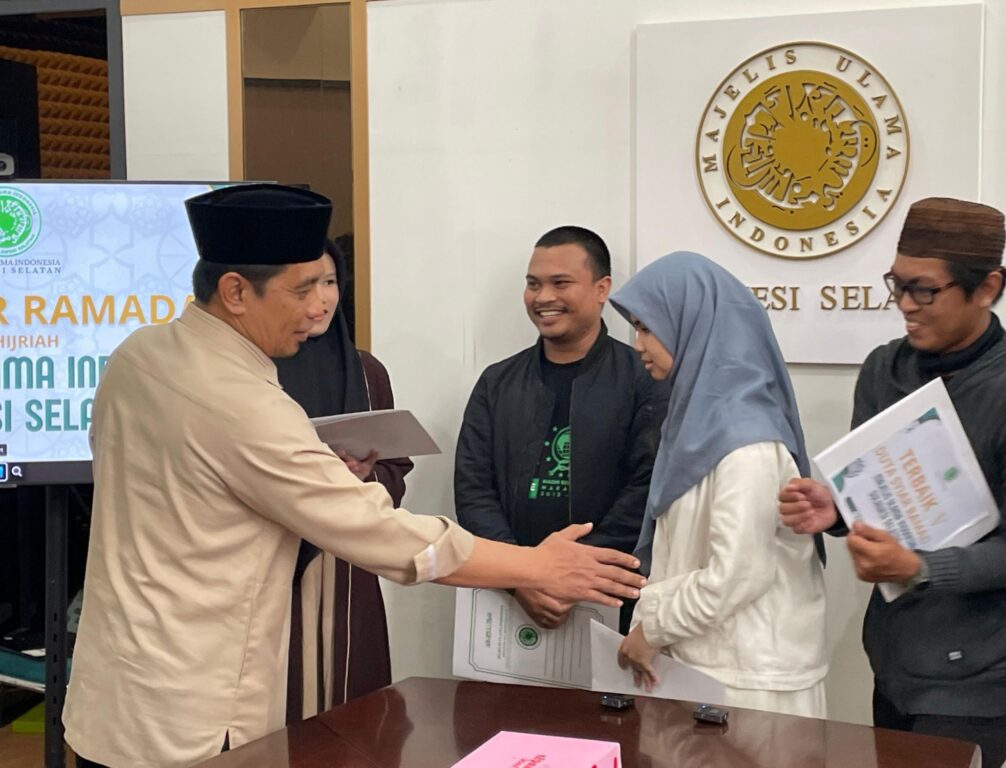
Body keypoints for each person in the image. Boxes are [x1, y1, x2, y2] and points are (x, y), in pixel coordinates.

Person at [62, 185, 645, 768]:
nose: (316, 309)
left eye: (326, 286)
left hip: (112, 696)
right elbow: (383, 534)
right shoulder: (238, 400)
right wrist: (537, 566)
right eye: (300, 290)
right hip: (190, 715)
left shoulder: (139, 353)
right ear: (236, 291)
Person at [779, 198, 1006, 767]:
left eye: (925, 290)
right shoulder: (884, 370)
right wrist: (836, 509)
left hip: (986, 679)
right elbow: (876, 496)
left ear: (987, 288)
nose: (906, 305)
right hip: (895, 661)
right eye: (898, 285)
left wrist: (918, 568)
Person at [613, 251, 828, 718]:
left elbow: (739, 574)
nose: (638, 344)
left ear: (693, 325)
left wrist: (653, 629)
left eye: (647, 328)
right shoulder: (698, 423)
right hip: (709, 667)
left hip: (751, 683)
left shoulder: (746, 441)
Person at [454, 225, 667, 630]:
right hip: (509, 595)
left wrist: (569, 573)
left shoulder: (643, 379)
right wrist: (523, 575)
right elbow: (473, 490)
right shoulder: (497, 383)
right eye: (533, 284)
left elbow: (648, 490)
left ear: (602, 289)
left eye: (560, 283)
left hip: (609, 594)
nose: (543, 297)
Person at [275, 238, 408, 721]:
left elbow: (396, 470)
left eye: (330, 282)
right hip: (277, 559)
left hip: (350, 569)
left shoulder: (368, 373)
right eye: (306, 286)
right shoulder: (254, 374)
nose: (322, 298)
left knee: (354, 714)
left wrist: (366, 476)